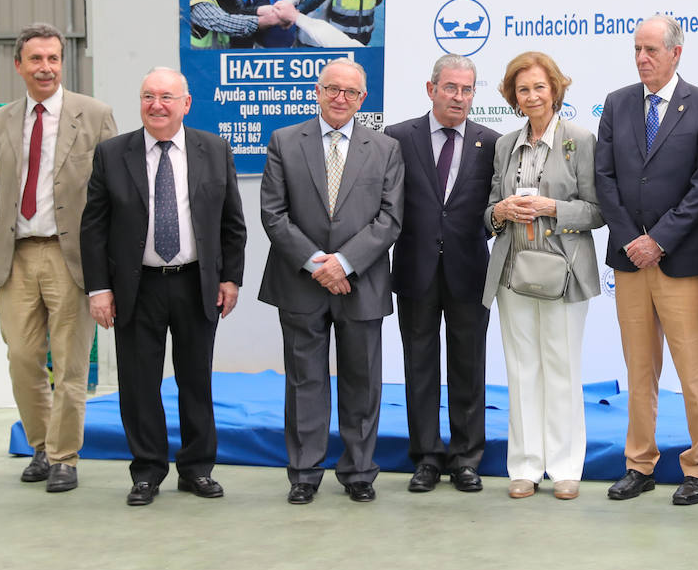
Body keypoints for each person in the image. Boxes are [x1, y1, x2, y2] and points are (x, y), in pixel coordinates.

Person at [79, 67, 246, 506]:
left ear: (186, 104)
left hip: (197, 284)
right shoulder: (112, 154)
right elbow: (93, 228)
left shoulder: (214, 149)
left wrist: (230, 278)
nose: (157, 105)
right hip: (137, 287)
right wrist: (99, 289)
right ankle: (147, 471)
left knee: (196, 381)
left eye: (167, 97)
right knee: (139, 384)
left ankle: (196, 469)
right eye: (148, 96)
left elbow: (232, 223)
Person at [0, 22, 118, 492]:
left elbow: (117, 196)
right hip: (15, 259)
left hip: (70, 259)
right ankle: (40, 443)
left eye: (53, 58)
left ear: (63, 63)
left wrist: (108, 268)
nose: (46, 67)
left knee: (70, 362)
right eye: (36, 59)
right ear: (19, 66)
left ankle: (64, 458)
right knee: (21, 357)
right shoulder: (1, 121)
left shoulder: (94, 115)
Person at [258, 58, 404, 505]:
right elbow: (273, 212)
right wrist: (317, 264)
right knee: (305, 382)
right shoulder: (285, 141)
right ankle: (304, 472)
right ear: (316, 91)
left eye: (351, 92)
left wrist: (344, 263)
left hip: (362, 282)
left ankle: (359, 471)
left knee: (363, 380)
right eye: (332, 89)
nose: (341, 98)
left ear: (364, 99)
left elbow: (390, 218)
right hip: (301, 283)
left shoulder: (385, 148)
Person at [594, 15, 698, 506]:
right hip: (630, 262)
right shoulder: (617, 103)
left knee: (695, 371)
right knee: (639, 368)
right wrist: (632, 239)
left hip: (681, 261)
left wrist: (660, 240)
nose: (642, 58)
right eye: (637, 49)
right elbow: (604, 177)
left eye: (651, 49)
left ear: (676, 53)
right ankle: (639, 463)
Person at [483, 52, 602, 501]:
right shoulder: (504, 144)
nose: (531, 96)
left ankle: (567, 466)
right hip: (513, 271)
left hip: (564, 273)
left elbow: (598, 211)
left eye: (539, 87)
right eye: (522, 89)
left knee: (562, 368)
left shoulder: (580, 140)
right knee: (521, 368)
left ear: (555, 89)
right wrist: (500, 210)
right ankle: (526, 466)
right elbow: (489, 210)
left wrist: (553, 208)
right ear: (513, 96)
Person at [386, 55, 500, 494]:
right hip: (415, 269)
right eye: (450, 87)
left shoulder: (491, 142)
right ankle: (427, 457)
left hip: (470, 271)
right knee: (420, 367)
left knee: (470, 366)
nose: (459, 97)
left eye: (467, 89)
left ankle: (467, 458)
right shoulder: (397, 138)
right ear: (430, 88)